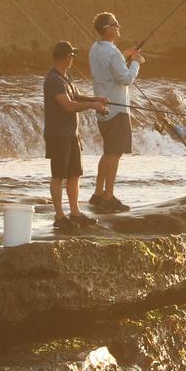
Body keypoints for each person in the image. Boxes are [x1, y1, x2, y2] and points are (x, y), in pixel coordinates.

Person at [43, 41, 108, 230]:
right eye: (72, 56)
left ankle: (75, 213)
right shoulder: (53, 80)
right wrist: (92, 106)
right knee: (58, 176)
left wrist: (96, 99)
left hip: (71, 134)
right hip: (58, 135)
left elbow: (77, 97)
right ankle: (60, 217)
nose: (73, 59)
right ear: (66, 57)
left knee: (74, 174)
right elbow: (69, 106)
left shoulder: (66, 78)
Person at [88, 12, 143, 212]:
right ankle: (108, 196)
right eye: (114, 24)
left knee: (107, 152)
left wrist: (125, 55)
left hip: (103, 108)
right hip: (118, 109)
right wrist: (135, 61)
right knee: (114, 153)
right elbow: (126, 78)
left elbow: (112, 67)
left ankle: (98, 193)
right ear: (106, 29)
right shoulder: (112, 53)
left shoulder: (95, 49)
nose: (118, 26)